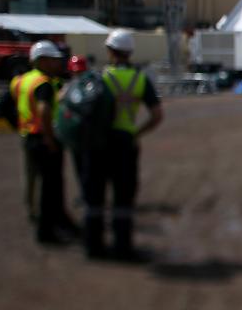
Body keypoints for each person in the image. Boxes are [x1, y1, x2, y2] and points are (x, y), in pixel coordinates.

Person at [81, 28, 163, 260]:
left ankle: (93, 246)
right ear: (130, 52)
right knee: (123, 198)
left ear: (110, 51)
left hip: (97, 144)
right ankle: (122, 247)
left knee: (94, 197)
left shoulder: (98, 78)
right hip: (125, 143)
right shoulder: (140, 80)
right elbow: (157, 116)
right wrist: (136, 133)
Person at [11, 40, 77, 244]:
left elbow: (9, 104)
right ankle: (46, 232)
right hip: (43, 138)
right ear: (42, 61)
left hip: (28, 136)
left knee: (42, 181)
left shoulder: (21, 81)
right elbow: (44, 110)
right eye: (54, 60)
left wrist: (21, 126)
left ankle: (59, 220)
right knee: (50, 186)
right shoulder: (43, 84)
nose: (58, 64)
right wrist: (49, 138)